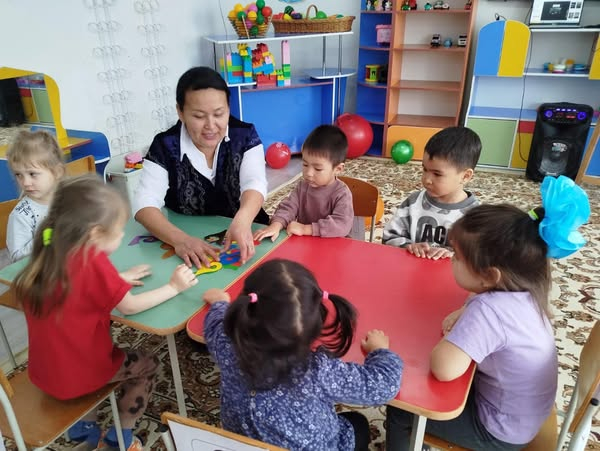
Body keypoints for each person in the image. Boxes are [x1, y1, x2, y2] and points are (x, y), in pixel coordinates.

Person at [386, 175, 591, 451]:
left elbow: (443, 368)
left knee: (402, 407)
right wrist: (465, 310)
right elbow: (482, 306)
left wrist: (457, 331)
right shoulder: (526, 289)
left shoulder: (489, 311)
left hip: (500, 430)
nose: (451, 261)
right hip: (526, 414)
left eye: (457, 257)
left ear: (489, 276)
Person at [13, 174, 198, 451]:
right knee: (148, 364)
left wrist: (116, 279)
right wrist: (174, 287)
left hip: (43, 374)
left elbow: (76, 289)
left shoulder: (49, 252)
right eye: (119, 231)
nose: (122, 236)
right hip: (80, 376)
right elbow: (130, 307)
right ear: (96, 234)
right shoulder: (94, 262)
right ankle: (120, 437)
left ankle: (85, 427)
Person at [203, 259, 403, 451]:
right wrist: (380, 351)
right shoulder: (318, 370)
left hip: (241, 445)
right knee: (358, 422)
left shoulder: (227, 345)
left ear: (245, 307)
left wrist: (220, 303)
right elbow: (383, 387)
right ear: (316, 322)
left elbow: (215, 325)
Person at [133, 66, 269, 269]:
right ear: (180, 112)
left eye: (219, 114)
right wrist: (180, 240)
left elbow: (255, 182)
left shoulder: (245, 135)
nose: (210, 125)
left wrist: (243, 219)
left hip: (247, 231)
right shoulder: (165, 145)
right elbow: (144, 203)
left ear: (228, 108)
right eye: (198, 116)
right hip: (186, 238)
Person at [382, 126, 481, 259]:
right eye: (425, 169)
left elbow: (480, 258)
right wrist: (408, 246)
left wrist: (453, 256)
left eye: (437, 174)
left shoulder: (476, 216)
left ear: (465, 176)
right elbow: (389, 238)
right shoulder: (413, 202)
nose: (427, 180)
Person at [253, 124, 354, 241]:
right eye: (305, 165)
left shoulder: (342, 193)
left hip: (333, 245)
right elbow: (288, 208)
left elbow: (342, 225)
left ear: (338, 169)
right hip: (306, 243)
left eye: (318, 169)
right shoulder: (303, 187)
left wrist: (306, 229)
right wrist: (277, 224)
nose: (309, 173)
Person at [5, 130, 66, 262]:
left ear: (57, 172)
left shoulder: (70, 197)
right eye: (18, 175)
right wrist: (47, 237)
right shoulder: (21, 215)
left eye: (32, 174)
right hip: (41, 271)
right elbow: (17, 257)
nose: (25, 183)